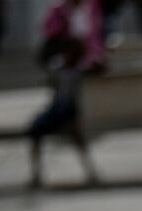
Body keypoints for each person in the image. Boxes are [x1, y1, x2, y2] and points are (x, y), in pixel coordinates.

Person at [28, 32, 99, 188]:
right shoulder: (57, 66)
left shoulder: (77, 70)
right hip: (56, 108)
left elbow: (96, 69)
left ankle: (91, 173)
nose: (66, 55)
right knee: (34, 132)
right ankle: (36, 175)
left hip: (68, 109)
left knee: (77, 140)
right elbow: (51, 81)